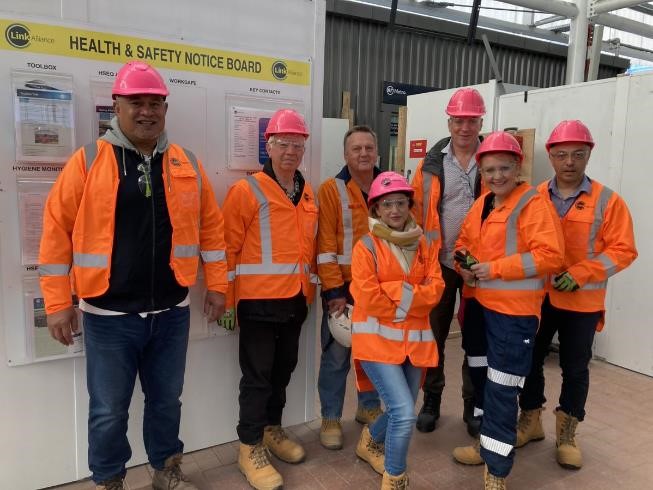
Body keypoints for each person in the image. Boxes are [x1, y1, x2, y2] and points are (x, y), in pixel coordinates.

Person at [39, 61, 227, 490]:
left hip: (170, 312)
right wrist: (57, 304)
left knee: (166, 402)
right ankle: (109, 481)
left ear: (165, 107)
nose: (147, 111)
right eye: (136, 102)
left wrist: (217, 285)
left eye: (155, 103)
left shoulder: (185, 162)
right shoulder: (88, 160)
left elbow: (212, 231)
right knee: (108, 409)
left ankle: (166, 471)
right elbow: (55, 236)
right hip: (108, 316)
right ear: (117, 107)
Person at [516, 120, 637, 469]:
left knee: (575, 368)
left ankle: (567, 433)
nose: (569, 162)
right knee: (531, 361)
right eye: (562, 155)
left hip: (581, 303)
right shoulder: (534, 197)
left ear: (588, 155)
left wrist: (583, 273)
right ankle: (531, 420)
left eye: (577, 155)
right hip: (538, 298)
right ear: (551, 157)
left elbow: (624, 250)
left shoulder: (608, 202)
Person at [451, 132, 565, 489]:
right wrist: (464, 266)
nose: (497, 176)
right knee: (484, 383)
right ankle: (486, 447)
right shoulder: (483, 203)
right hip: (481, 309)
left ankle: (496, 472)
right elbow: (462, 244)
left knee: (502, 390)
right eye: (489, 170)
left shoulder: (534, 204)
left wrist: (496, 268)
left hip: (514, 317)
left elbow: (551, 256)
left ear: (518, 167)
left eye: (503, 168)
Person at [221, 109, 318, 490]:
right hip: (258, 304)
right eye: (283, 143)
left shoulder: (306, 192)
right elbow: (227, 249)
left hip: (295, 301)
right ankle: (249, 446)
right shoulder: (247, 190)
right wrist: (227, 300)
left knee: (283, 371)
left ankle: (272, 429)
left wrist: (309, 292)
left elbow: (308, 250)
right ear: (269, 145)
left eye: (297, 144)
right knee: (257, 378)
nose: (291, 151)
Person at [351, 171, 444, 489]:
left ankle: (369, 440)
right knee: (404, 414)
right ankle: (395, 478)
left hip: (412, 345)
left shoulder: (424, 244)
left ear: (409, 205)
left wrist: (394, 291)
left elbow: (437, 289)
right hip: (377, 344)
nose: (394, 210)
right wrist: (413, 300)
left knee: (400, 409)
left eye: (400, 203)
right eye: (386, 204)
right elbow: (366, 295)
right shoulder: (366, 246)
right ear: (376, 209)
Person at [411, 87, 485, 435]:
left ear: (480, 121)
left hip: (478, 268)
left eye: (471, 120)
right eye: (459, 120)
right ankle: (432, 400)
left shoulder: (494, 158)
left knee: (475, 338)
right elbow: (414, 213)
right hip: (438, 263)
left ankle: (473, 406)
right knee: (434, 336)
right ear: (450, 122)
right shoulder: (431, 164)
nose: (465, 127)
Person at [316, 125, 383, 450]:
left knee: (373, 356)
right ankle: (330, 417)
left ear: (377, 151)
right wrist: (333, 293)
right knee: (336, 358)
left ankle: (368, 407)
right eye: (356, 148)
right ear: (345, 154)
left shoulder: (390, 186)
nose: (363, 153)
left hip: (380, 290)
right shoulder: (331, 190)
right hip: (342, 290)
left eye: (369, 147)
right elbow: (325, 244)